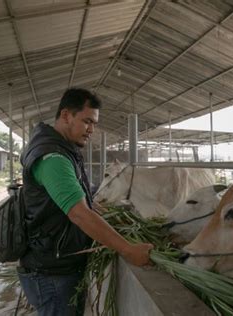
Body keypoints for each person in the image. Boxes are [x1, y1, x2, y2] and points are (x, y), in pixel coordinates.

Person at [18, 88, 153, 315]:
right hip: (53, 272)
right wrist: (128, 249)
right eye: (87, 121)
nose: (92, 130)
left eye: (95, 123)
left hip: (55, 263)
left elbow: (71, 200)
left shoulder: (61, 148)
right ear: (66, 115)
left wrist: (94, 205)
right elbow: (79, 214)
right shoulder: (53, 158)